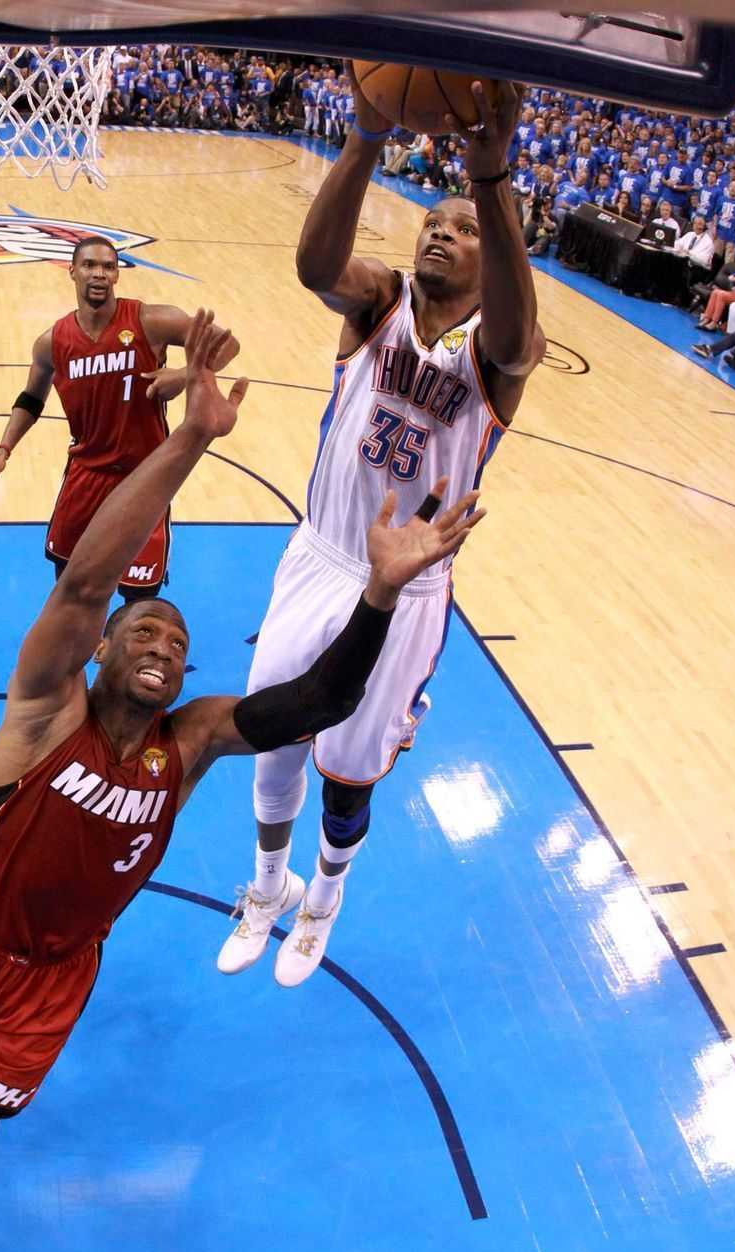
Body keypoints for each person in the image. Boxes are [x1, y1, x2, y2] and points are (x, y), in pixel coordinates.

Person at [0, 312, 484, 1225]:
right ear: (101, 651)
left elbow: (317, 704)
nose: (162, 639)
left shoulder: (185, 745)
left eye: (178, 641)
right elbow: (83, 583)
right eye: (143, 627)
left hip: (60, 969)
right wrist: (189, 437)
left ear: (185, 676)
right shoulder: (43, 710)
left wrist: (381, 593)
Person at [219, 79, 541, 986]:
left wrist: (490, 183)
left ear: (494, 253)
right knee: (270, 731)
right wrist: (363, 135)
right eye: (435, 221)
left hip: (407, 589)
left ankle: (322, 900)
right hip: (322, 556)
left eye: (464, 228)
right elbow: (317, 268)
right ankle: (267, 887)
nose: (442, 231)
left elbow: (518, 343)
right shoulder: (380, 303)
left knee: (349, 773)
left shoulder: (496, 355)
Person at [0, 234, 202, 602]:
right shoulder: (52, 342)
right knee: (68, 585)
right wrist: (3, 449)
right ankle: (74, 661)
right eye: (90, 266)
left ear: (117, 275)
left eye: (108, 267)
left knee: (138, 599)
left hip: (144, 476)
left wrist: (185, 374)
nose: (99, 274)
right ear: (72, 272)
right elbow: (31, 399)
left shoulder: (151, 320)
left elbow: (226, 343)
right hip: (86, 473)